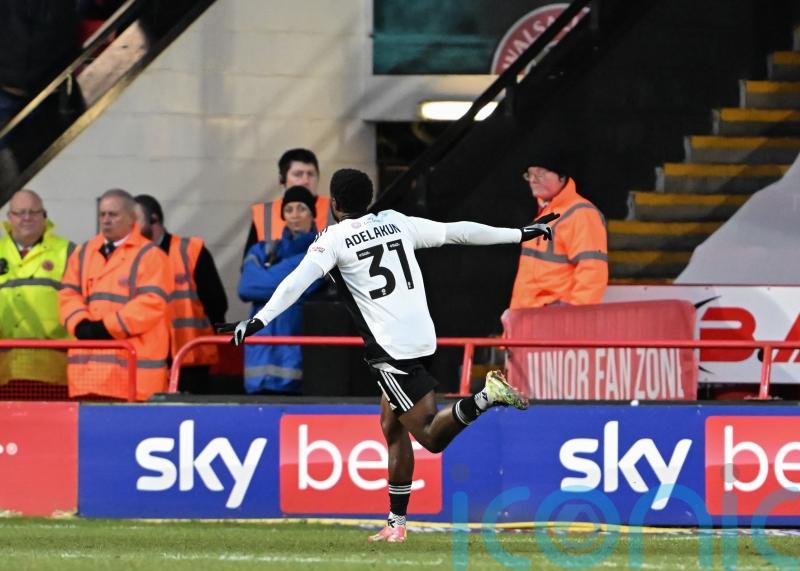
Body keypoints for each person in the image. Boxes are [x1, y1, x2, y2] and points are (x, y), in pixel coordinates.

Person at [218, 168, 557, 542]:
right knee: (391, 427)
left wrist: (258, 319)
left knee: (429, 436)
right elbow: (457, 230)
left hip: (392, 351)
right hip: (424, 339)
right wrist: (519, 233)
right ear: (370, 200)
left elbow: (296, 281)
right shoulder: (395, 223)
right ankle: (397, 525)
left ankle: (486, 396)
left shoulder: (333, 240)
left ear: (333, 204)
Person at [59, 189, 174, 401]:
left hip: (134, 382)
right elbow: (67, 293)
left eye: (113, 214)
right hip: (88, 378)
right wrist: (80, 324)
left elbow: (150, 305)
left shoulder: (151, 256)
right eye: (102, 215)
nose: (106, 220)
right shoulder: (83, 253)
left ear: (132, 218)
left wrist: (105, 328)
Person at [134, 194, 228, 394]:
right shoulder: (131, 258)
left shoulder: (191, 251)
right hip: (147, 361)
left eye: (135, 220)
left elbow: (216, 304)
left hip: (191, 360)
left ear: (154, 219)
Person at [239, 186, 324, 394]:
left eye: (301, 209)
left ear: (312, 214)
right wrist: (295, 275)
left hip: (296, 369)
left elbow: (308, 284)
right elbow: (246, 287)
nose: (295, 215)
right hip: (257, 370)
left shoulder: (324, 250)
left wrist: (269, 276)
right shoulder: (262, 249)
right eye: (289, 209)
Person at [0, 190, 74, 397]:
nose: (26, 218)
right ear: (9, 217)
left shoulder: (68, 252)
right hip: (4, 371)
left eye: (33, 212)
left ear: (44, 216)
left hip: (53, 371)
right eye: (20, 212)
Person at [509, 155, 608, 308]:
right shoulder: (546, 213)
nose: (533, 180)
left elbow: (593, 272)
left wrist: (573, 319)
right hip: (530, 319)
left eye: (540, 173)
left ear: (561, 177)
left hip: (554, 322)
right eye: (530, 174)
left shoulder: (581, 214)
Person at [243, 148, 333, 256]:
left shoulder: (336, 209)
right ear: (282, 180)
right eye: (298, 174)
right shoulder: (264, 213)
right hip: (276, 272)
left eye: (310, 174)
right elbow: (249, 263)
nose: (305, 180)